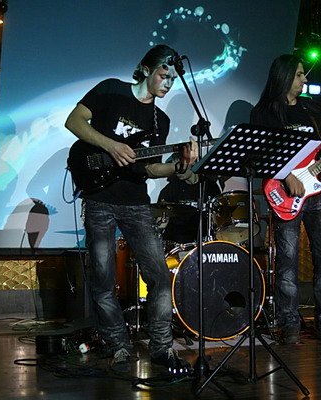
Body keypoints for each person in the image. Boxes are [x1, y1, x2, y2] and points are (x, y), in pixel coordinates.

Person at [65, 44, 197, 372]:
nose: (168, 83)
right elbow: (74, 121)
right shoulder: (111, 89)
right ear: (146, 69)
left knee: (159, 277)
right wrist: (111, 145)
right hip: (99, 199)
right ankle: (118, 346)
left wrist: (179, 167)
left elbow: (150, 168)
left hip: (136, 203)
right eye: (164, 75)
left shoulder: (160, 120)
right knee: (103, 279)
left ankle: (162, 348)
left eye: (173, 79)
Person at [249, 54, 321, 344]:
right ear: (285, 76)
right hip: (285, 192)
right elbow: (260, 156)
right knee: (287, 260)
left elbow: (320, 151)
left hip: (317, 193)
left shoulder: (309, 110)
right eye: (300, 74)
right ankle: (289, 324)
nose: (305, 79)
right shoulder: (263, 112)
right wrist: (287, 175)